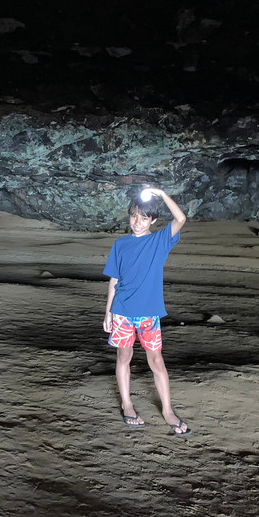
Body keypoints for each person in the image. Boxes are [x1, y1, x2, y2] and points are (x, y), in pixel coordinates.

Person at [102, 186, 191, 436]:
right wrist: (108, 312)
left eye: (143, 218)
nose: (137, 222)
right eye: (133, 216)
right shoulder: (120, 245)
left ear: (152, 220)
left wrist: (161, 194)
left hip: (149, 314)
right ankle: (127, 404)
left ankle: (167, 410)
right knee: (124, 357)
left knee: (156, 361)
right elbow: (114, 280)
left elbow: (181, 219)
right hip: (122, 312)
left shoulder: (159, 241)